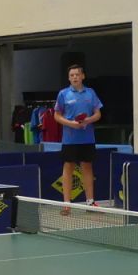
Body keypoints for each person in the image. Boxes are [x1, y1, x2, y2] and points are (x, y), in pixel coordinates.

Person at [54, 64, 103, 207]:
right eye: (72, 75)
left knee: (87, 166)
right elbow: (57, 116)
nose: (74, 77)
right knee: (68, 167)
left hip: (87, 138)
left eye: (77, 74)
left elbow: (98, 114)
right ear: (69, 78)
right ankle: (67, 203)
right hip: (70, 138)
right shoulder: (63, 94)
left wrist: (88, 120)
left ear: (83, 76)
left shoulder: (91, 93)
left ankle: (90, 201)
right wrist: (71, 124)